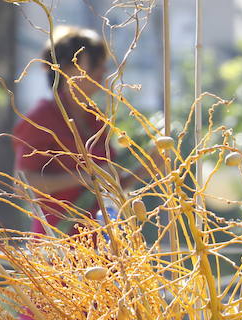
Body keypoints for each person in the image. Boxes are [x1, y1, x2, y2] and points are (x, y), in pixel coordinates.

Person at [12, 26, 151, 236]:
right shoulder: (42, 119)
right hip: (60, 242)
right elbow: (24, 185)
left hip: (104, 241)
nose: (103, 71)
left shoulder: (96, 118)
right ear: (66, 69)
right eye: (95, 62)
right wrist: (85, 177)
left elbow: (108, 185)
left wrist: (148, 168)